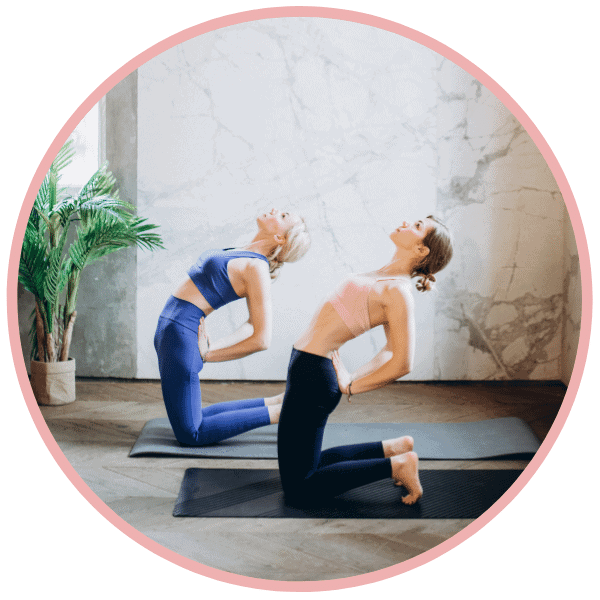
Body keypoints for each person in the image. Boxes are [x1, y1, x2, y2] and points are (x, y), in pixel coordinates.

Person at [270, 215, 453, 506]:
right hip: (306, 367)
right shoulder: (383, 274)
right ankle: (392, 450)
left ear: (422, 251)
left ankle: (398, 465)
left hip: (314, 377)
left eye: (417, 226)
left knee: (298, 489)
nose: (407, 222)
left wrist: (354, 385)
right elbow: (387, 349)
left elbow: (402, 360)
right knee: (312, 463)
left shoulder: (399, 291)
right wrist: (352, 376)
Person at [154, 209, 311, 446]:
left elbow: (261, 336)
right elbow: (250, 325)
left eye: (283, 216)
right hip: (172, 331)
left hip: (180, 335)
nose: (275, 211)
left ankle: (283, 413)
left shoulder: (256, 268)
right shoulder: (245, 251)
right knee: (198, 417)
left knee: (191, 434)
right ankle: (278, 402)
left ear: (281, 238)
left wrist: (210, 353)